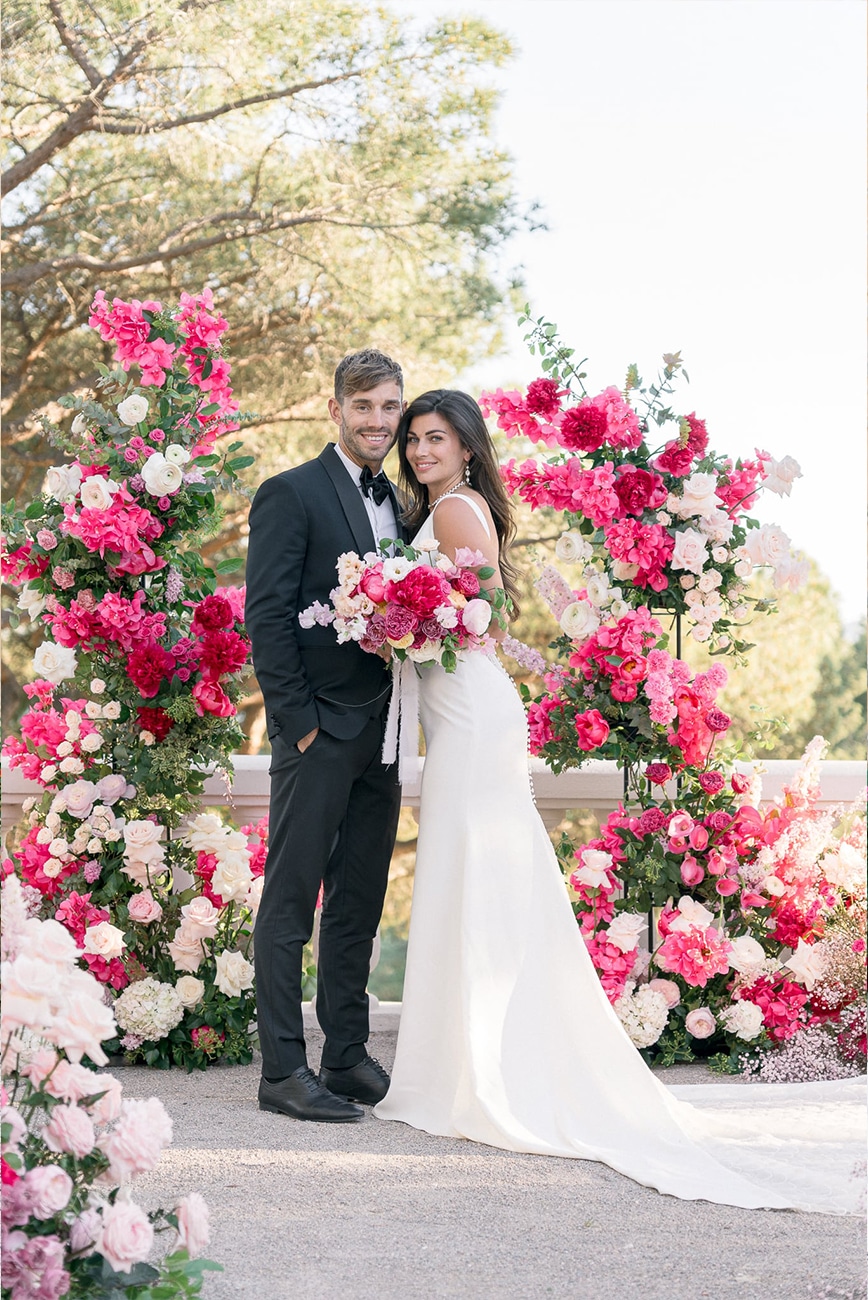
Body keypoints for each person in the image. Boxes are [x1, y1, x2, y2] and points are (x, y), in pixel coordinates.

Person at [373, 389, 864, 1215]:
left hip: (473, 711)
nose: (420, 452)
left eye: (435, 438)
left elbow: (479, 620)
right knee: (472, 871)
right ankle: (469, 1057)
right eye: (414, 439)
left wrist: (398, 615)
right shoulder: (450, 509)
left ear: (465, 449)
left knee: (478, 870)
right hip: (464, 713)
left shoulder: (455, 511)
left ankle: (482, 1069)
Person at [245, 349, 407, 1123]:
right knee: (290, 903)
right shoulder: (291, 493)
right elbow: (267, 617)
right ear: (336, 410)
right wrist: (300, 726)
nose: (377, 421)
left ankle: (345, 1054)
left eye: (389, 408)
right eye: (364, 406)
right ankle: (283, 1070)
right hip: (319, 732)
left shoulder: (403, 507)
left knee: (359, 899)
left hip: (385, 731)